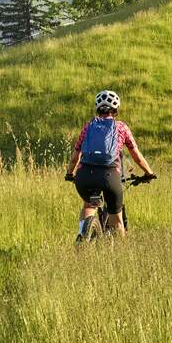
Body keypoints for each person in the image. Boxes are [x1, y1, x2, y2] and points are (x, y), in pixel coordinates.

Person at [64, 89, 155, 238]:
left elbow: (75, 157)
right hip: (109, 176)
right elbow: (137, 156)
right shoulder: (121, 128)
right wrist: (149, 173)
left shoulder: (88, 127)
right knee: (117, 220)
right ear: (116, 109)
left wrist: (69, 173)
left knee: (89, 205)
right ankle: (121, 255)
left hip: (84, 176)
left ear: (97, 108)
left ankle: (82, 236)